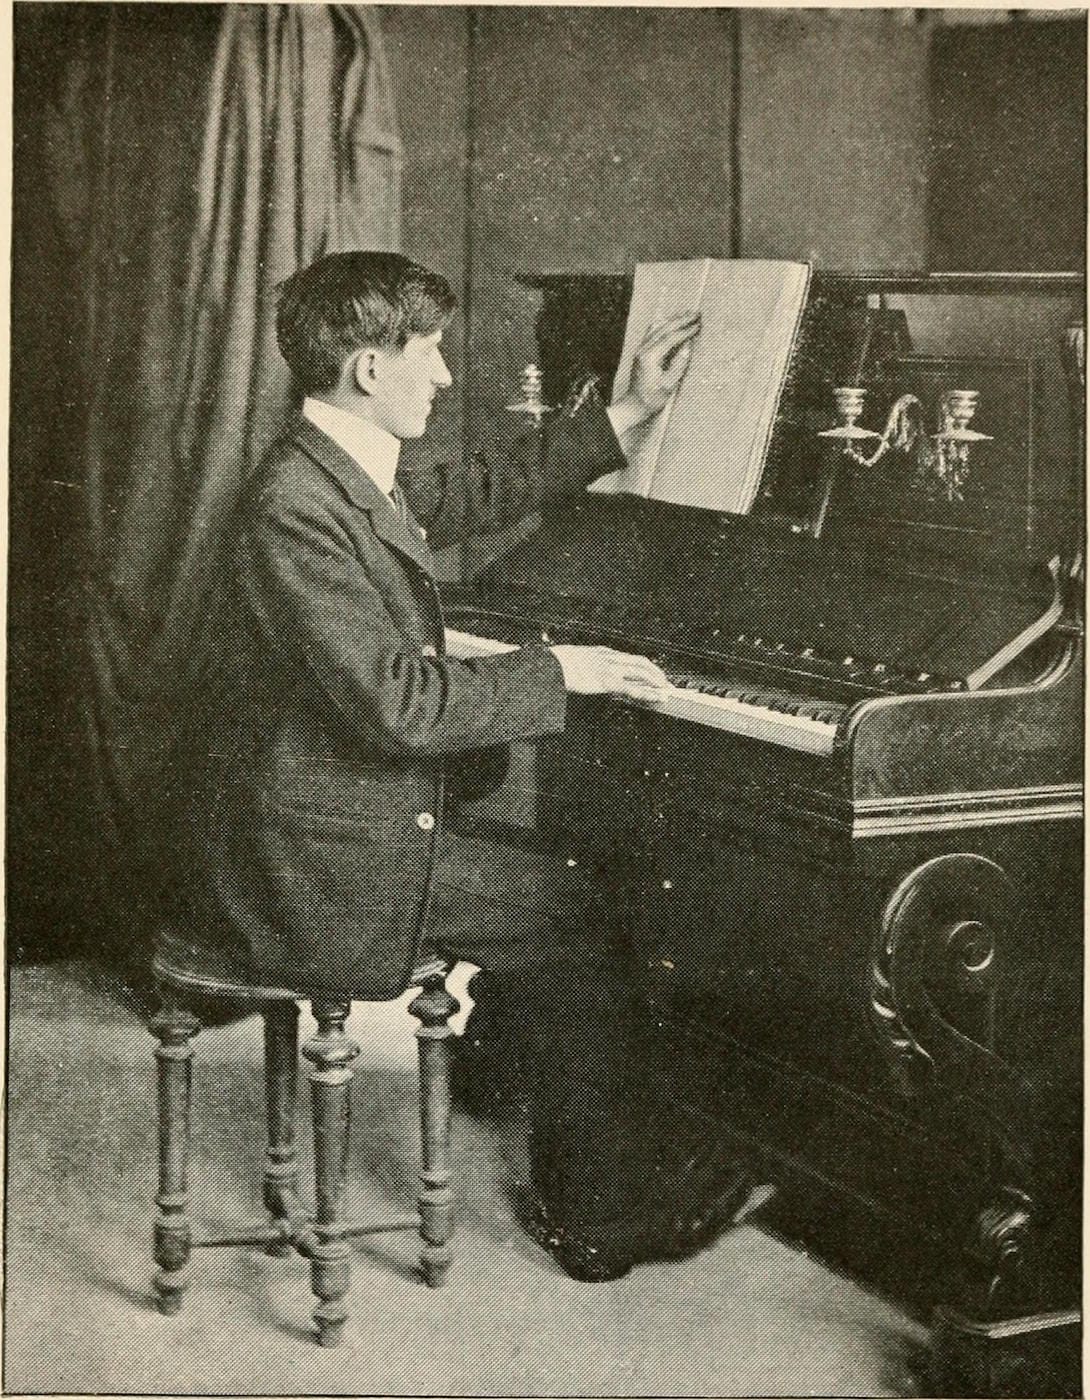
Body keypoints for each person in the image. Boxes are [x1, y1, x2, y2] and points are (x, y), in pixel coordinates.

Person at [165, 250, 746, 1281]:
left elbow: (469, 491)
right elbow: (400, 702)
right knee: (580, 909)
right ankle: (600, 1208)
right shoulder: (294, 506)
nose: (441, 374)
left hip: (329, 823)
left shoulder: (334, 467)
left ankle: (507, 1074)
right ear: (367, 368)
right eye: (425, 351)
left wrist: (625, 411)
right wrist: (560, 667)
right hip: (312, 865)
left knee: (551, 875)